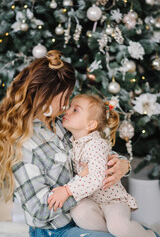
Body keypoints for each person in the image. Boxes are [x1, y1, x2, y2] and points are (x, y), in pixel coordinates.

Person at [0, 50, 158, 237]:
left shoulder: (63, 124)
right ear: (47, 94)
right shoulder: (23, 144)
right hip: (55, 229)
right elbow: (40, 209)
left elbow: (97, 149)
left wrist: (122, 164)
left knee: (139, 232)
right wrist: (77, 185)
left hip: (88, 213)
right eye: (65, 97)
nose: (67, 106)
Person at [48, 94, 156, 237]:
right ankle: (108, 234)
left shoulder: (95, 144)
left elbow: (97, 178)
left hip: (112, 200)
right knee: (78, 212)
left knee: (118, 226)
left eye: (75, 110)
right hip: (91, 200)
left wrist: (67, 190)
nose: (67, 111)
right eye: (69, 107)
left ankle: (148, 235)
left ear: (91, 125)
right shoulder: (75, 141)